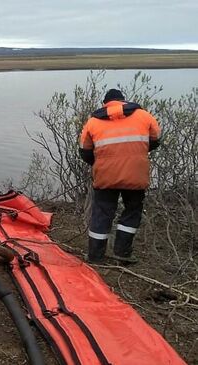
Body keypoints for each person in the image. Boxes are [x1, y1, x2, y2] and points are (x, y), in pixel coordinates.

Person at [79, 89, 161, 264]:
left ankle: (95, 257)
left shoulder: (93, 122)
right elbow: (155, 141)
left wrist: (100, 162)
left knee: (102, 212)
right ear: (123, 101)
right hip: (135, 174)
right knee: (132, 210)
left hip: (105, 175)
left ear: (105, 103)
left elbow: (85, 152)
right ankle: (122, 253)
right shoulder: (144, 116)